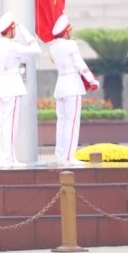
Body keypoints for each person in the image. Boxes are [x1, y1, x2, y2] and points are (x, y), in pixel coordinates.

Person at [0, 13, 42, 168]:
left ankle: (2, 158)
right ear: (11, 30)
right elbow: (36, 49)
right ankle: (10, 160)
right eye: (15, 29)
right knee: (11, 125)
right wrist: (25, 31)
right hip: (11, 86)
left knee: (0, 124)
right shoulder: (13, 46)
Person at [47, 15, 100, 166]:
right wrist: (91, 80)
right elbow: (80, 64)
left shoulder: (53, 47)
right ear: (66, 32)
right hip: (72, 85)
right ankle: (69, 157)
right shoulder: (70, 45)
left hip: (61, 85)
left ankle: (60, 155)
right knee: (72, 123)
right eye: (70, 30)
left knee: (62, 123)